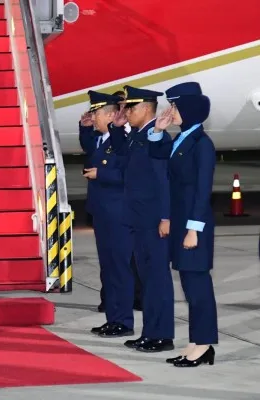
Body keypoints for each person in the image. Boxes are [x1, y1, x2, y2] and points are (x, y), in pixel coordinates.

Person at [147, 82, 217, 367]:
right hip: (182, 224)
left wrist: (193, 229)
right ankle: (195, 343)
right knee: (189, 287)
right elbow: (158, 154)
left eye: (174, 106)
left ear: (187, 109)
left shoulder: (202, 144)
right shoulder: (183, 139)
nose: (170, 111)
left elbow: (203, 191)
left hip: (193, 226)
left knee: (199, 289)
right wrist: (159, 130)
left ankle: (204, 345)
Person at [110, 85, 175, 351]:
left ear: (146, 108)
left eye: (131, 108)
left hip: (153, 219)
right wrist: (116, 128)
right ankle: (150, 332)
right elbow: (123, 159)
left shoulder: (158, 138)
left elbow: (164, 181)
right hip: (138, 218)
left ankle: (162, 335)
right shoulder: (140, 135)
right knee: (146, 278)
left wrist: (165, 216)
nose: (127, 112)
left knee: (157, 278)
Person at [80, 91, 135, 338]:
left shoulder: (123, 140)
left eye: (96, 113)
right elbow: (89, 147)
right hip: (102, 214)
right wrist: (84, 128)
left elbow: (130, 176)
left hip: (119, 215)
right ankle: (113, 318)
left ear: (112, 115)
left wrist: (100, 175)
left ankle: (123, 320)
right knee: (108, 269)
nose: (93, 117)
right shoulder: (102, 139)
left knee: (120, 269)